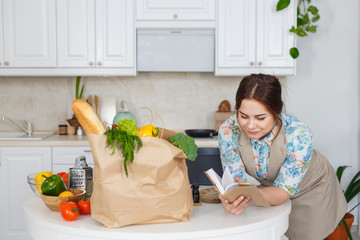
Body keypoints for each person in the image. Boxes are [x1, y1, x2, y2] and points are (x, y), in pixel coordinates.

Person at [218, 74, 347, 240]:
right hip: (272, 190)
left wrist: (241, 196)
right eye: (243, 116)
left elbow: (281, 193)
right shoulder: (228, 131)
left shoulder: (298, 133)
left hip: (313, 188)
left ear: (276, 112)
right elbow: (236, 182)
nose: (250, 125)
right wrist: (231, 197)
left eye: (260, 118)